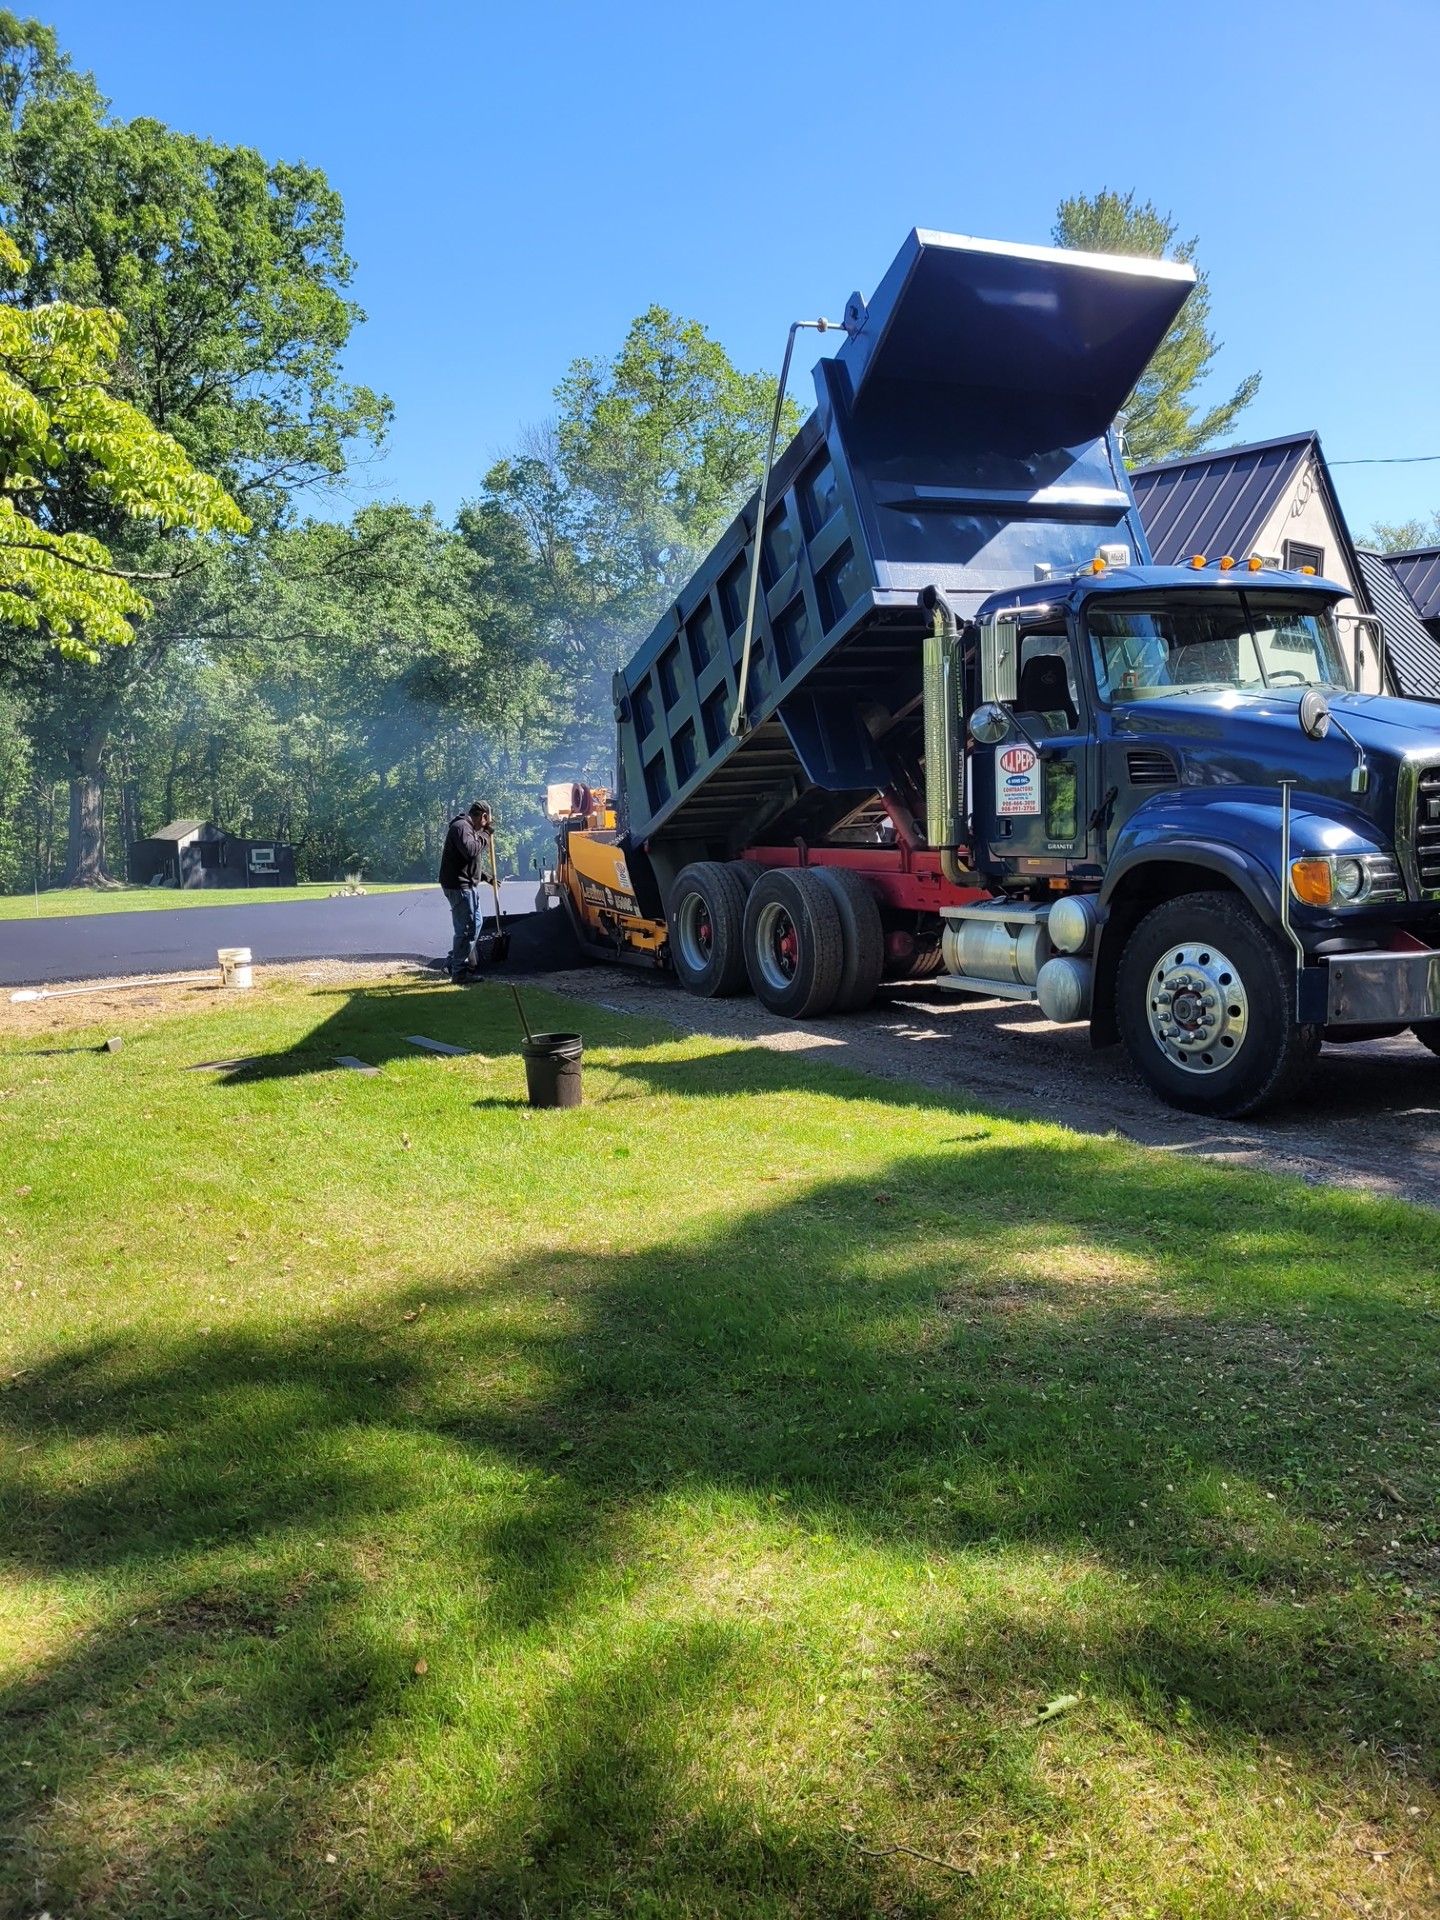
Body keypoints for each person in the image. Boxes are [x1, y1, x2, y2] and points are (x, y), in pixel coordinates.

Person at [438, 801, 493, 981]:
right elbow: (470, 851)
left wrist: (485, 877)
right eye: (486, 821)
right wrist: (485, 834)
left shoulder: (466, 828)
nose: (486, 826)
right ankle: (459, 972)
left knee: (475, 924)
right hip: (459, 887)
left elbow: (467, 861)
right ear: (483, 816)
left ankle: (454, 961)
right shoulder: (461, 827)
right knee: (466, 929)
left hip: (467, 884)